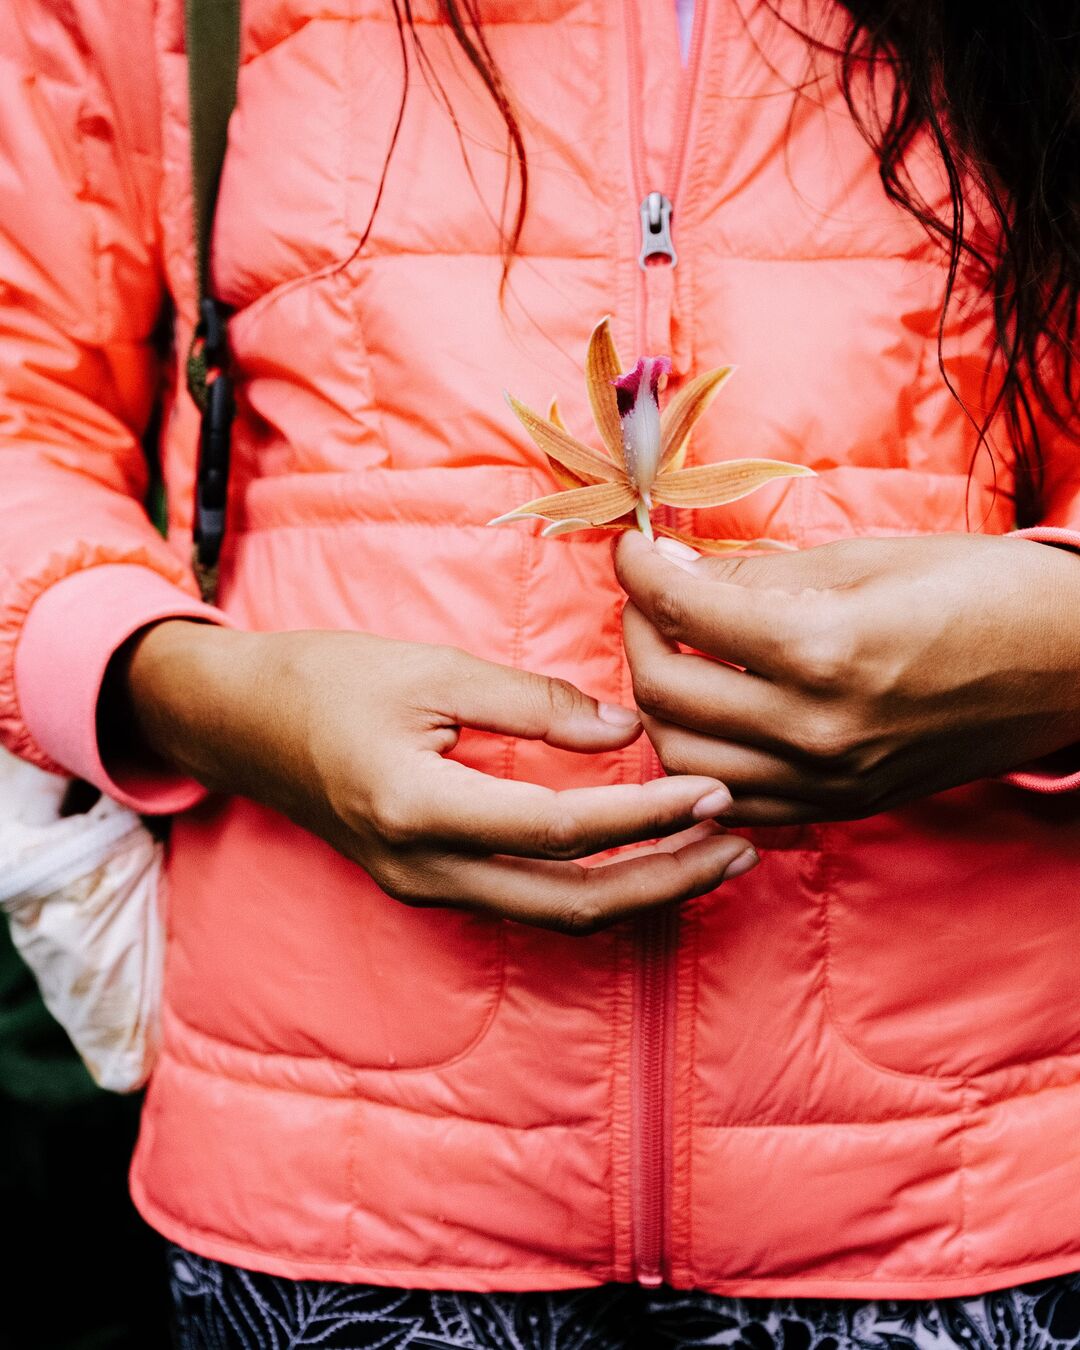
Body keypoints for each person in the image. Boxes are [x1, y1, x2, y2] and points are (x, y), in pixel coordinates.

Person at [2, 0, 1079, 1346]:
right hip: (342, 1173)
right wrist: (193, 695)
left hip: (975, 1172)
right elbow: (23, 405)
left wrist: (1059, 644)